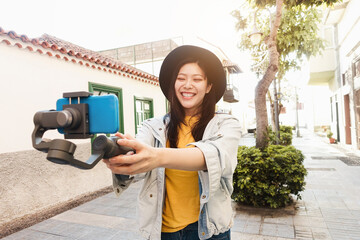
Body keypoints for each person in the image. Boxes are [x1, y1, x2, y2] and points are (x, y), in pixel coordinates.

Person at [103, 45, 241, 240]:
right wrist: (124, 155)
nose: (187, 85)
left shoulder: (226, 124)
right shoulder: (153, 126)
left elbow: (212, 156)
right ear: (173, 84)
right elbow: (140, 160)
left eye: (197, 79)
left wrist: (156, 157)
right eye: (181, 78)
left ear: (209, 86)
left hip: (209, 230)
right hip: (164, 231)